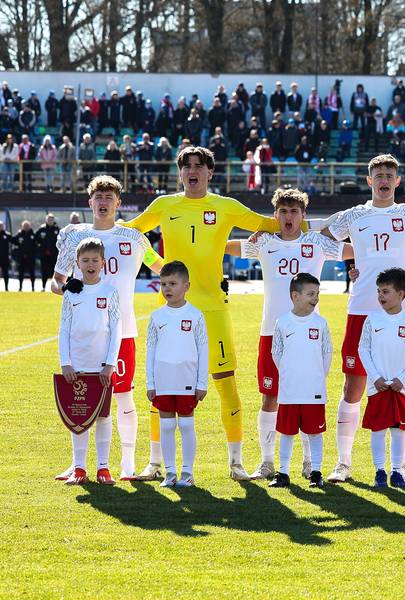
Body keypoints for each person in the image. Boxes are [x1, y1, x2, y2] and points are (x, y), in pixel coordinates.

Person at [125, 146, 287, 482]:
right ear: (180, 172)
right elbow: (131, 231)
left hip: (213, 309)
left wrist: (315, 223)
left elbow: (272, 223)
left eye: (199, 166)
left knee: (225, 384)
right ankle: (155, 464)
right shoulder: (164, 205)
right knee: (162, 387)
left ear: (210, 173)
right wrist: (158, 265)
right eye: (187, 166)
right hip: (169, 311)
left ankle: (236, 463)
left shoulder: (225, 207)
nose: (193, 171)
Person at [320, 154, 405, 484]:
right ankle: (343, 463)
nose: (384, 179)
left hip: (400, 313)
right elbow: (322, 236)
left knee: (404, 386)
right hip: (361, 311)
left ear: (397, 181)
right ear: (369, 180)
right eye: (378, 174)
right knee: (353, 387)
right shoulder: (354, 215)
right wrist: (348, 260)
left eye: (390, 174)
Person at [226, 188, 349, 481]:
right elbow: (228, 245)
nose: (288, 216)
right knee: (270, 397)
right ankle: (267, 463)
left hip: (308, 335)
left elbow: (355, 251)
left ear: (303, 216)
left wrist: (365, 263)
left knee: (307, 397)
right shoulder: (265, 243)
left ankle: (309, 463)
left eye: (294, 211)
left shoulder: (317, 243)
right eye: (283, 211)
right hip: (272, 332)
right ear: (275, 216)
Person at [52, 176, 164, 480]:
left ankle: (127, 462)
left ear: (118, 203)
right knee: (81, 397)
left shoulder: (134, 238)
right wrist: (65, 287)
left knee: (123, 395)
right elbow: (56, 281)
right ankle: (78, 464)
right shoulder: (76, 237)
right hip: (83, 336)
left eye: (109, 197)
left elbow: (162, 269)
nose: (103, 202)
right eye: (98, 197)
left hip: (122, 332)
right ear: (90, 202)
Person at [56, 238, 121, 486]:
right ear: (78, 263)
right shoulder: (71, 293)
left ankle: (103, 468)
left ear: (103, 263)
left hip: (102, 367)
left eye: (95, 260)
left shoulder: (109, 292)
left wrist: (110, 364)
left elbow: (116, 329)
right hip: (77, 367)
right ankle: (79, 468)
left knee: (103, 416)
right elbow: (63, 329)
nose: (90, 264)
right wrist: (66, 362)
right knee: (77, 415)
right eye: (85, 260)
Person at [359, 268, 405, 489]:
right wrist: (376, 377)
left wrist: (403, 379)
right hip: (377, 387)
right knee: (378, 430)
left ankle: (397, 471)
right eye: (379, 291)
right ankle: (379, 471)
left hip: (401, 388)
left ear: (401, 294)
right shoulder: (372, 320)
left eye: (386, 291)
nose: (381, 296)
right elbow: (363, 349)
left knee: (398, 430)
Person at [145, 261, 208, 488]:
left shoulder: (196, 316)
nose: (167, 289)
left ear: (186, 286)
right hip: (163, 382)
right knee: (167, 427)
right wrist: (150, 382)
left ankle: (187, 473)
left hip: (187, 381)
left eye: (172, 283)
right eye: (163, 284)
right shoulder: (156, 317)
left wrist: (202, 383)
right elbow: (150, 352)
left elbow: (203, 350)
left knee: (187, 426)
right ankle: (170, 473)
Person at [267, 273, 333, 488]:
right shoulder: (283, 322)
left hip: (313, 389)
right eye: (311, 294)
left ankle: (316, 472)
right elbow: (276, 352)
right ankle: (283, 473)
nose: (316, 298)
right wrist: (289, 373)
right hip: (289, 390)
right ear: (295, 296)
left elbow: (327, 353)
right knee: (286, 432)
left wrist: (315, 376)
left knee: (315, 432)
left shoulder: (320, 323)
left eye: (318, 294)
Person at [15, 220, 38, 290]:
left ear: (30, 226)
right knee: (21, 272)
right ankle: (20, 287)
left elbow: (36, 244)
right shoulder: (19, 234)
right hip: (21, 257)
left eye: (27, 226)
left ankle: (33, 287)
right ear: (22, 227)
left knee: (32, 272)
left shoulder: (33, 235)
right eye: (24, 226)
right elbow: (14, 241)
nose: (26, 227)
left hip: (30, 257)